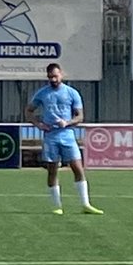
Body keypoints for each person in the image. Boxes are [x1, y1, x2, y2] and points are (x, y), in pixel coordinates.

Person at [25, 62, 103, 215]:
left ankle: (85, 204)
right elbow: (29, 111)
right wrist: (38, 124)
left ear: (61, 74)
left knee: (77, 168)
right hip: (50, 137)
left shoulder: (72, 93)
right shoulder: (42, 93)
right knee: (52, 170)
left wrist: (67, 123)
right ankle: (57, 206)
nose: (53, 79)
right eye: (50, 77)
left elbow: (80, 116)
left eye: (55, 76)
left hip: (68, 136)